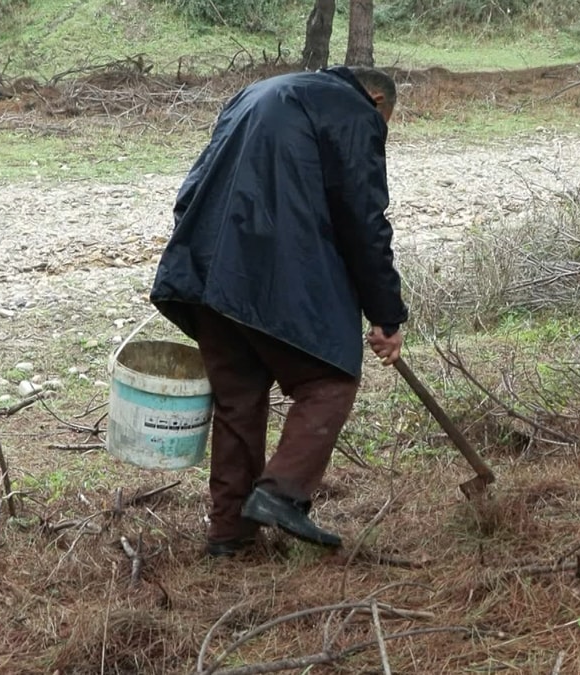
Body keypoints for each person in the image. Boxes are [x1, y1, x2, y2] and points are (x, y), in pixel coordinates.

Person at [148, 65, 408, 557]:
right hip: (268, 273)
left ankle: (229, 537)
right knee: (330, 380)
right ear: (376, 100)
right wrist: (387, 316)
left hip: (207, 270)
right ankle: (281, 494)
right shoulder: (353, 110)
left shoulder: (253, 94)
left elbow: (191, 190)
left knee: (238, 401)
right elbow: (364, 219)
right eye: (387, 125)